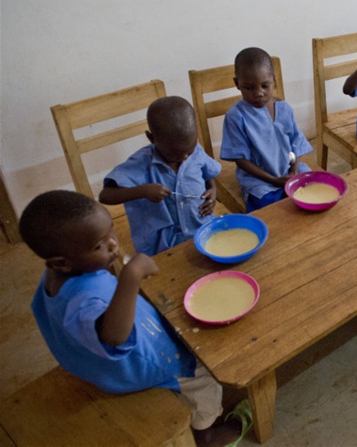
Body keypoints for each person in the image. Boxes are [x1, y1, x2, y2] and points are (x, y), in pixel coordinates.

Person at [19, 190, 239, 445]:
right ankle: (207, 434)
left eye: (110, 230)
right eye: (98, 245)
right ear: (60, 263)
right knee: (202, 375)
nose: (113, 243)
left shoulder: (55, 276)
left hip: (83, 360)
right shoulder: (84, 302)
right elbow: (113, 337)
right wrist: (131, 276)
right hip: (129, 370)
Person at [99, 96, 221, 256]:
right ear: (151, 139)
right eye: (174, 154)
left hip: (201, 228)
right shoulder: (141, 163)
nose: (185, 157)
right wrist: (142, 191)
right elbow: (105, 196)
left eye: (189, 151)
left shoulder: (194, 149)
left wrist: (212, 190)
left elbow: (206, 172)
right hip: (163, 245)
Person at [221, 47, 312, 212]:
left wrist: (294, 170)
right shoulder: (236, 116)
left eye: (265, 86)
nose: (258, 93)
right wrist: (274, 180)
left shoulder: (284, 109)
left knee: (313, 187)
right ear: (237, 84)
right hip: (259, 179)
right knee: (269, 208)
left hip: (286, 169)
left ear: (274, 80)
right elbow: (241, 160)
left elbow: (296, 144)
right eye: (249, 87)